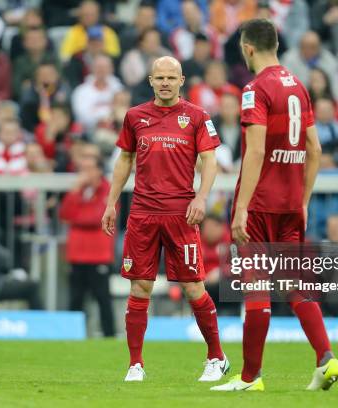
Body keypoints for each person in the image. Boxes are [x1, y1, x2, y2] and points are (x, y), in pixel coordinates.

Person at [212, 19, 338, 392]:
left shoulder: (255, 89)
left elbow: (254, 151)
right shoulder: (299, 87)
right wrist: (302, 200)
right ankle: (326, 357)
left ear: (248, 48)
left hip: (260, 205)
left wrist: (241, 208)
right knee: (295, 285)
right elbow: (314, 149)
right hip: (289, 205)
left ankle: (251, 378)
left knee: (256, 288)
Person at [101, 56, 228, 382]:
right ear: (151, 80)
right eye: (160, 77)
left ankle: (216, 356)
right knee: (140, 286)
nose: (166, 83)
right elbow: (124, 159)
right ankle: (135, 364)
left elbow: (210, 161)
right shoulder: (135, 116)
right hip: (143, 213)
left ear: (182, 79)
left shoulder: (197, 117)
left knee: (192, 287)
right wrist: (111, 202)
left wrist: (201, 197)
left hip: (180, 214)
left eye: (171, 77)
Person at [60, 155, 116, 337]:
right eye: (82, 169)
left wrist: (78, 212)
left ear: (99, 170)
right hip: (77, 254)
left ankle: (110, 336)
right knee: (75, 300)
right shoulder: (79, 191)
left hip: (98, 254)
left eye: (89, 168)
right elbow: (65, 214)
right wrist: (76, 193)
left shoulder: (109, 190)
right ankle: (71, 335)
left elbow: (96, 217)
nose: (85, 174)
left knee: (103, 300)